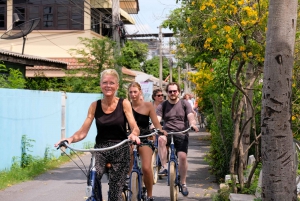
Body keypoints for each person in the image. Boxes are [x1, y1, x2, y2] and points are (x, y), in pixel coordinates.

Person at [54, 69, 140, 201]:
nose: (108, 85)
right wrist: (70, 138)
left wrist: (134, 134)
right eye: (105, 82)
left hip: (120, 148)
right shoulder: (95, 105)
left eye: (111, 83)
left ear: (117, 86)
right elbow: (83, 131)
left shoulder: (124, 103)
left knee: (115, 193)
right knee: (92, 178)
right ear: (101, 84)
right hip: (100, 149)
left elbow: (135, 127)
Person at [156, 82, 199, 197]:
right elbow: (158, 118)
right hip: (167, 132)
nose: (172, 93)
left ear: (178, 92)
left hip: (181, 133)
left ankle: (183, 183)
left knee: (182, 157)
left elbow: (190, 116)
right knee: (160, 139)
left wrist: (193, 124)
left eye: (174, 91)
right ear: (167, 93)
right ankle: (164, 167)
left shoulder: (185, 103)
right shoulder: (163, 105)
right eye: (170, 91)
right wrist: (154, 127)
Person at [128, 82, 166, 201]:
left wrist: (160, 131)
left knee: (146, 168)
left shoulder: (148, 106)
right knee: (127, 164)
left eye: (135, 92)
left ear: (140, 92)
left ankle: (149, 195)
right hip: (130, 138)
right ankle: (127, 186)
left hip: (145, 138)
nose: (133, 94)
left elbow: (156, 123)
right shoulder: (126, 106)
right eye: (131, 92)